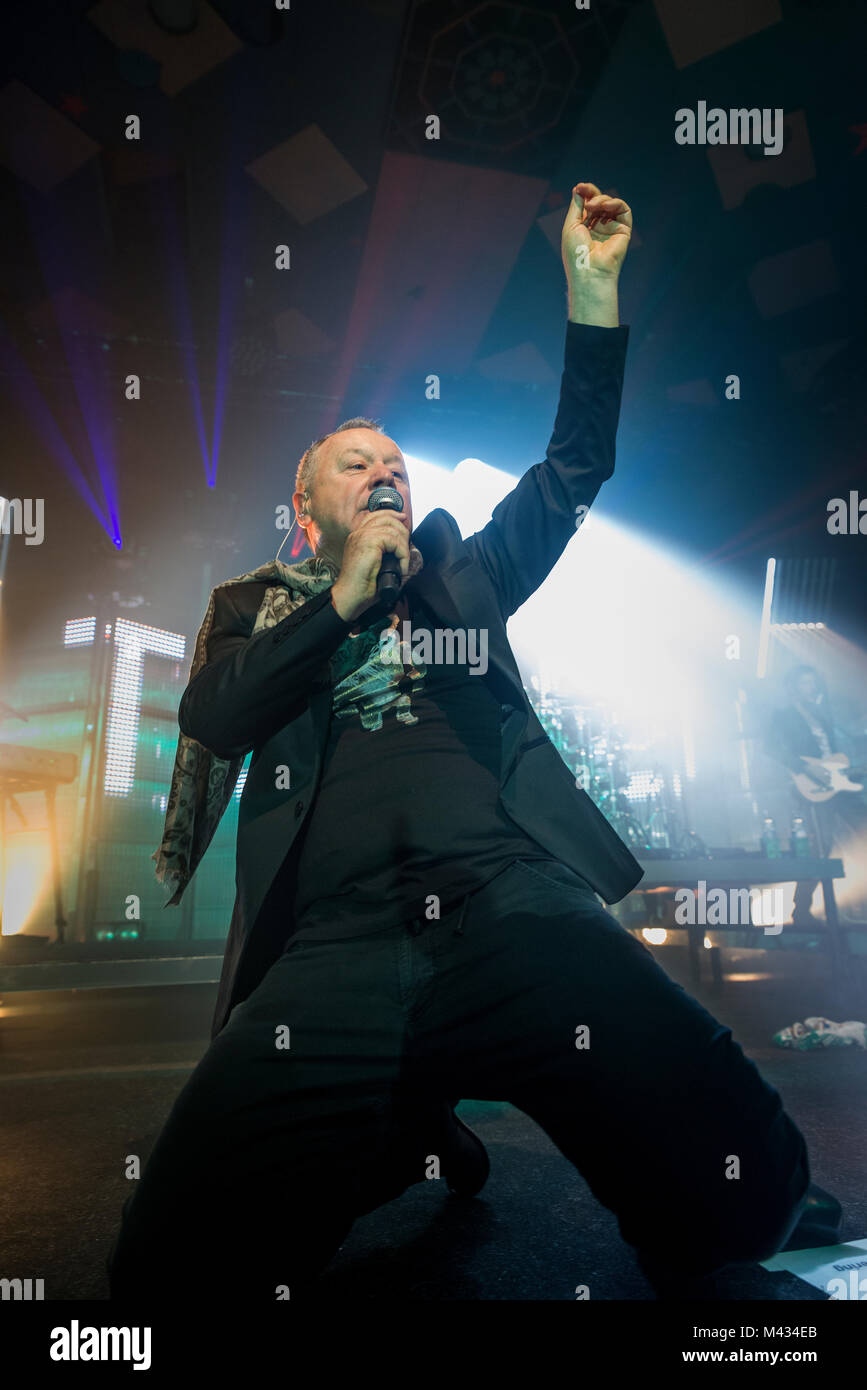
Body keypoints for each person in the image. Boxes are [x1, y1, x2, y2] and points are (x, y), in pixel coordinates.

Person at [108, 182, 811, 1302]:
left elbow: (574, 471)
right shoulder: (256, 612)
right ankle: (404, 1133)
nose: (386, 472)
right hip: (334, 948)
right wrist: (338, 604)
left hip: (511, 902)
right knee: (164, 1269)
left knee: (740, 1190)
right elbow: (214, 716)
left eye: (397, 461)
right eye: (356, 462)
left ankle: (412, 1118)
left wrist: (591, 292)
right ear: (305, 502)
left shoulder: (468, 574)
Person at [764, 664, 867, 924]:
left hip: (836, 784)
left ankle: (859, 904)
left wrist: (847, 771)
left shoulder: (823, 715)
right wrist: (806, 768)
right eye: (806, 683)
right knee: (819, 848)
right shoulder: (783, 716)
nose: (812, 687)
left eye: (813, 682)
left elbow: (834, 756)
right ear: (793, 688)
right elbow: (771, 748)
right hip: (810, 786)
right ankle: (801, 910)